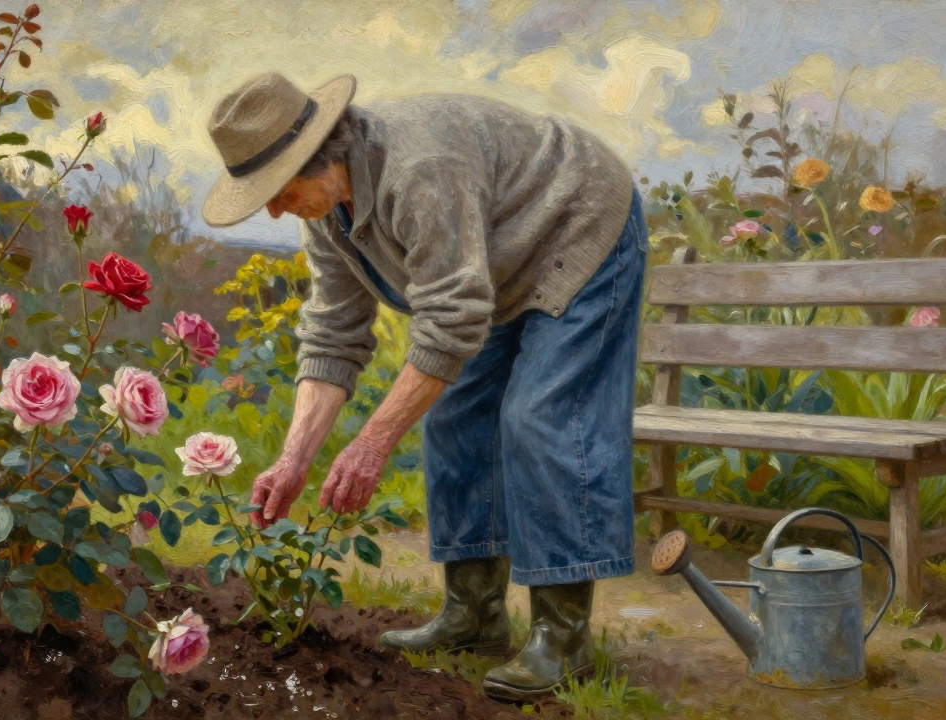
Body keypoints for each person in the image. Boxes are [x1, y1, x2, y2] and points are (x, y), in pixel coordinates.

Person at [201, 72, 648, 701]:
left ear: (319, 155)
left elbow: (452, 316)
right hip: (493, 258)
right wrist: (293, 457)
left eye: (278, 190)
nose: (273, 209)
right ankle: (476, 616)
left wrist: (371, 442)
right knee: (453, 415)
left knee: (540, 417)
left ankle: (563, 637)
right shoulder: (328, 215)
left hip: (578, 221)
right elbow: (333, 334)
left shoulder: (419, 168)